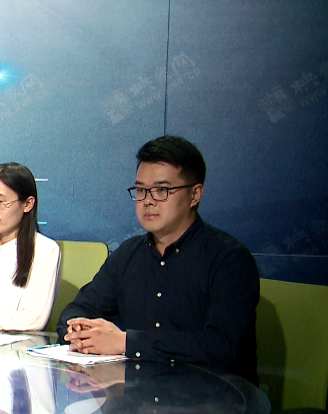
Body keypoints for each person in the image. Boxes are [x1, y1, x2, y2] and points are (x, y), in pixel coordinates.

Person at [58, 135, 259, 384]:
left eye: (162, 190)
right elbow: (78, 309)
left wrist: (127, 343)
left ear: (195, 194)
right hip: (138, 397)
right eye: (141, 190)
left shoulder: (229, 259)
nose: (148, 200)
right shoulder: (128, 255)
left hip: (211, 398)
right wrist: (79, 332)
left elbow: (221, 346)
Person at [0, 163, 61, 331]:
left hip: (21, 345)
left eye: (0, 201)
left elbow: (32, 319)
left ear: (27, 204)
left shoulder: (45, 250)